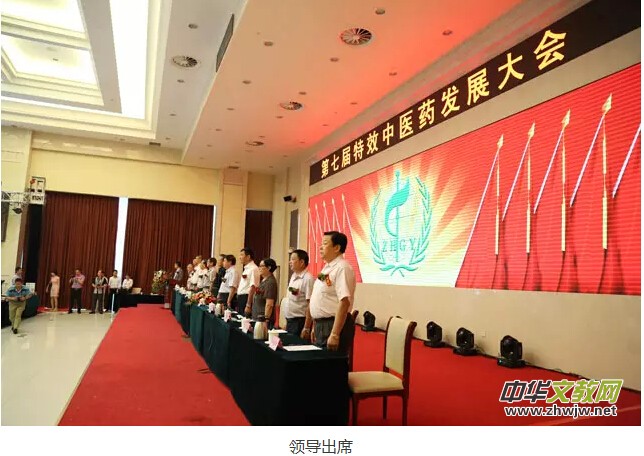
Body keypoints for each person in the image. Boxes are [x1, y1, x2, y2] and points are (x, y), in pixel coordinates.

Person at [307, 231, 356, 353]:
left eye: (324, 243)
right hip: (321, 325)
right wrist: (315, 325)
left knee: (331, 363)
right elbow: (321, 297)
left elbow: (344, 302)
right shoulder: (327, 268)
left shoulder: (342, 268)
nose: (320, 247)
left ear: (337, 248)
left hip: (332, 324)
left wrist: (334, 334)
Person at [285, 249, 315, 338]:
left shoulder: (308, 278)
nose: (290, 262)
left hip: (300, 321)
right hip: (290, 320)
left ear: (301, 262)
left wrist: (306, 327)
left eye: (293, 259)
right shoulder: (294, 276)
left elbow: (310, 304)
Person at [252, 258, 278, 326]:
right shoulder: (264, 280)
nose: (259, 268)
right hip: (257, 317)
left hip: (263, 320)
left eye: (261, 266)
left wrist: (266, 320)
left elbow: (269, 304)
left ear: (269, 268)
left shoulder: (270, 282)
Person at [238, 248, 260, 318]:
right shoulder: (246, 269)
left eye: (242, 255)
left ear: (248, 257)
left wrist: (248, 304)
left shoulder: (253, 269)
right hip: (241, 297)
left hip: (246, 298)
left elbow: (253, 287)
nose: (240, 257)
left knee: (245, 320)